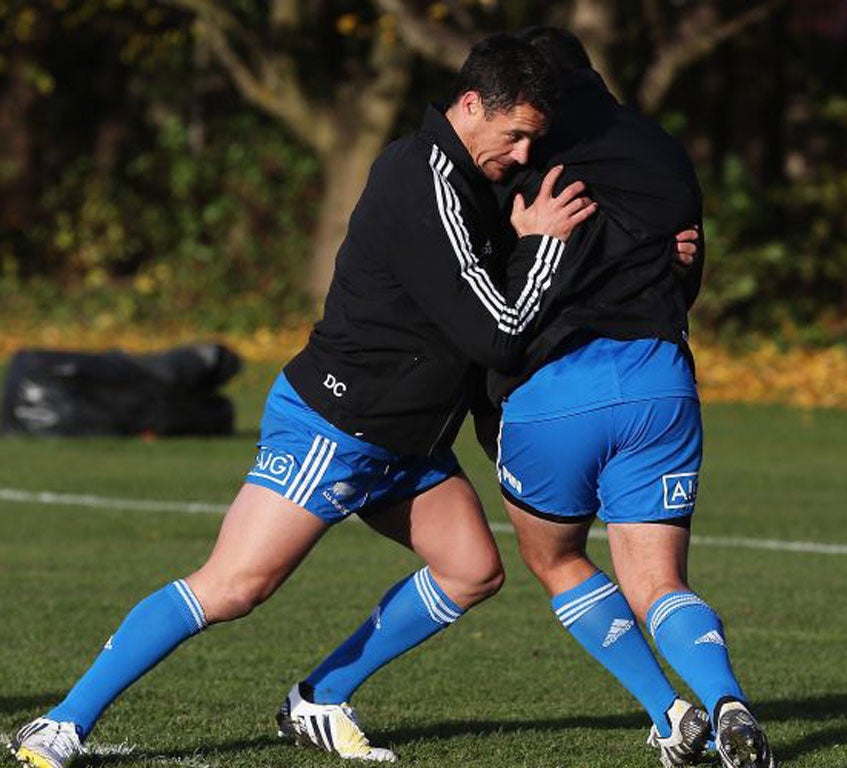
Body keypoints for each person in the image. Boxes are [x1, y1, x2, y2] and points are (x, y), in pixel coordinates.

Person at [9, 34, 598, 768]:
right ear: (472, 105)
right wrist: (539, 246)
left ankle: (319, 698)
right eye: (515, 136)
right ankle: (60, 723)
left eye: (530, 143)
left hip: (407, 442)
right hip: (338, 425)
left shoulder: (475, 183)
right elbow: (497, 333)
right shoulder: (423, 181)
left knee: (471, 569)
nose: (521, 156)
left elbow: (481, 291)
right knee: (233, 587)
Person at [483, 27, 776, 768]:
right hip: (659, 378)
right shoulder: (660, 148)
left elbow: (478, 281)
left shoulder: (518, 152)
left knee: (557, 560)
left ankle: (667, 712)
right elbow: (687, 262)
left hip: (558, 385)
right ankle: (725, 700)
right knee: (659, 580)